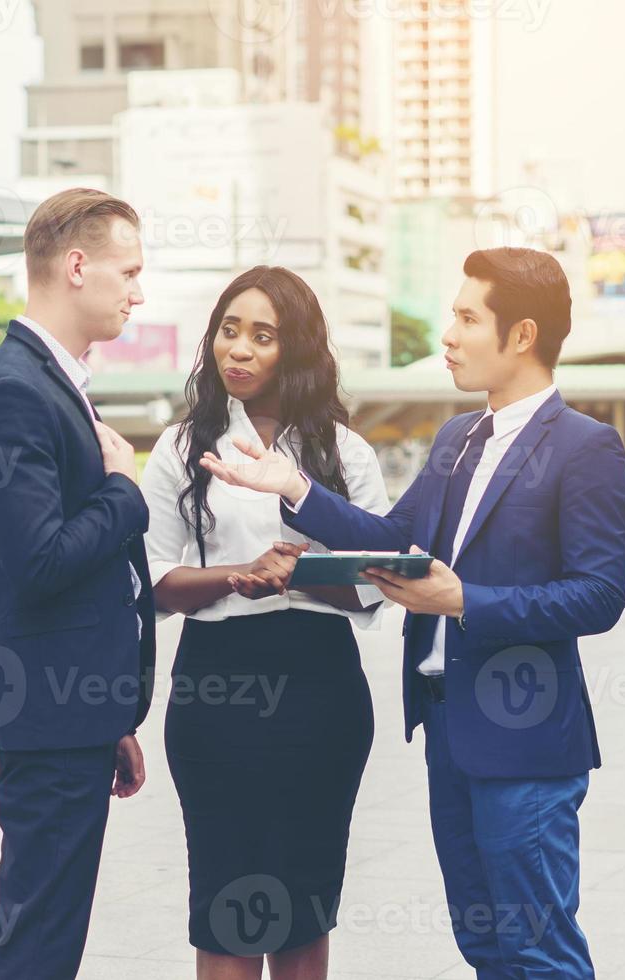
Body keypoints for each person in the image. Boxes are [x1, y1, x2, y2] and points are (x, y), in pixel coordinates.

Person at [202, 248, 625, 978]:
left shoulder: (586, 447)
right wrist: (295, 488)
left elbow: (599, 594)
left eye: (468, 318)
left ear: (522, 336)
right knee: (486, 946)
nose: (450, 335)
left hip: (525, 738)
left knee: (538, 950)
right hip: (450, 731)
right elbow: (394, 540)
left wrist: (463, 600)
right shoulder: (455, 439)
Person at [140, 266, 390, 978]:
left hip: (320, 686)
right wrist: (239, 577)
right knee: (224, 893)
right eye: (228, 330)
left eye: (263, 335)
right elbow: (153, 582)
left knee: (304, 894)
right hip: (214, 685)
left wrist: (302, 571)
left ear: (298, 349)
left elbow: (378, 582)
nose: (239, 351)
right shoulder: (183, 446)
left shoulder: (345, 453)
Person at [0, 188, 156, 980]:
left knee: (45, 928)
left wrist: (108, 711)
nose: (139, 292)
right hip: (46, 710)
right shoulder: (14, 388)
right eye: (129, 271)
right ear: (77, 266)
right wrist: (124, 490)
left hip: (71, 708)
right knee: (38, 937)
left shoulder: (48, 379)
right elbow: (38, 563)